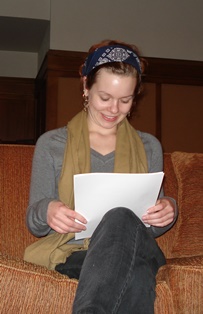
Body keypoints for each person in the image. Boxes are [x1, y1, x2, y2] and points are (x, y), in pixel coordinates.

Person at [25, 39, 178, 314]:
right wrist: (48, 210)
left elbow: (152, 227)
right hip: (77, 255)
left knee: (120, 218)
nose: (113, 109)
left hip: (137, 248)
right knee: (135, 275)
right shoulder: (52, 144)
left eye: (125, 100)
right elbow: (35, 223)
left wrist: (167, 209)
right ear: (86, 87)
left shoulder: (149, 146)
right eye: (104, 98)